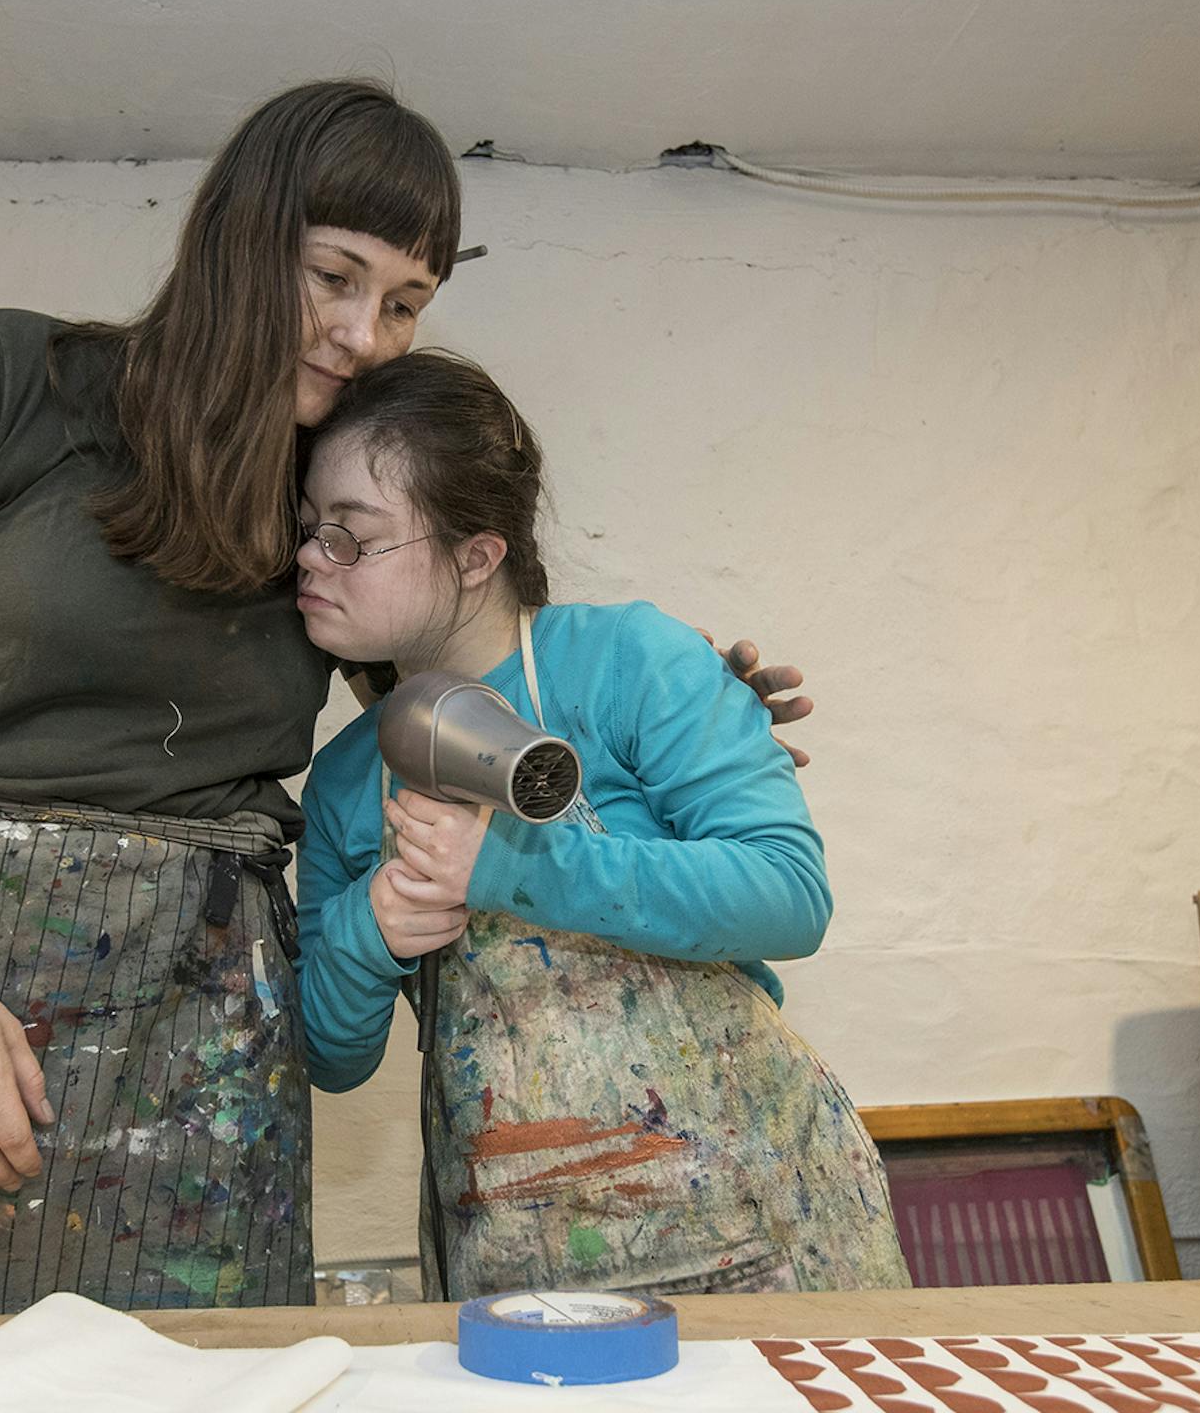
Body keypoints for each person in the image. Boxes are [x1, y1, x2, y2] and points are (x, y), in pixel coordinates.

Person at [0, 79, 814, 1323]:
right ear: (239, 233)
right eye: (333, 275)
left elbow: (471, 683)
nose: (364, 334)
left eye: (406, 303)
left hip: (186, 1072)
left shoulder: (321, 514)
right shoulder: (9, 377)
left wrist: (696, 711)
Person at [293, 350, 909, 1299]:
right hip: (514, 1253)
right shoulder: (342, 780)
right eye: (309, 529)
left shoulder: (632, 661)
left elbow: (789, 895)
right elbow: (333, 1058)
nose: (311, 557)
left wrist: (504, 865)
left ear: (476, 554)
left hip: (758, 1219)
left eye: (352, 536)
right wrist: (369, 931)